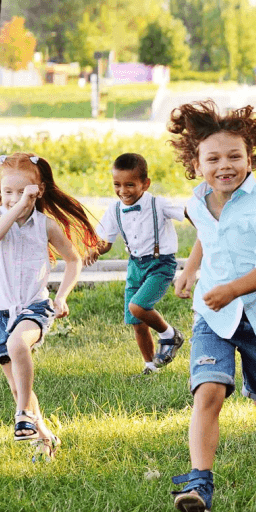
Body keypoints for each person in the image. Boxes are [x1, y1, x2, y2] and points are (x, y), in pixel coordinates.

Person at [168, 100, 256, 512]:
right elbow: (209, 234)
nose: (225, 165)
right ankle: (199, 481)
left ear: (250, 158)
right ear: (196, 162)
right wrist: (190, 269)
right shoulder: (198, 200)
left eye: (235, 156)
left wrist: (230, 290)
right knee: (208, 393)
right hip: (212, 316)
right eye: (214, 158)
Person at [0, 153, 98, 461]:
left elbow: (73, 260)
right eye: (7, 191)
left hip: (33, 307)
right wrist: (18, 205)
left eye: (22, 192)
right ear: (0, 190)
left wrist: (61, 297)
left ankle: (22, 413)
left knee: (18, 343)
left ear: (39, 191)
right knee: (15, 385)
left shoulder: (45, 225)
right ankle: (44, 437)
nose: (13, 198)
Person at [88, 153, 185, 375]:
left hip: (160, 264)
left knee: (138, 306)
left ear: (145, 183)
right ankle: (151, 365)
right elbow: (105, 242)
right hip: (135, 266)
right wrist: (94, 250)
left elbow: (185, 213)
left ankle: (170, 335)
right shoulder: (114, 209)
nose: (123, 191)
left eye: (130, 184)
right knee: (136, 321)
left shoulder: (157, 204)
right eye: (117, 184)